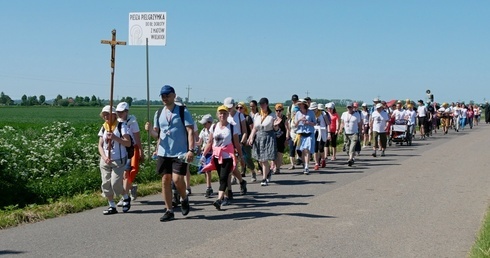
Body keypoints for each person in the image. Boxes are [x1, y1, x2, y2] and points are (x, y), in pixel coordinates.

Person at [150, 85, 195, 222]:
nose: (165, 98)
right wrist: (149, 131)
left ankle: (184, 198)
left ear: (174, 95)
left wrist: (191, 150)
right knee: (165, 180)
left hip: (180, 152)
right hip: (164, 152)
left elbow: (190, 131)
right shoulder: (158, 113)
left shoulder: (182, 111)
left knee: (177, 180)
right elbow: (157, 135)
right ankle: (169, 210)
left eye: (167, 95)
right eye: (163, 96)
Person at [201, 105, 243, 209]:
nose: (222, 115)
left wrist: (241, 155)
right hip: (216, 156)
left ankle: (219, 200)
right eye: (220, 113)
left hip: (228, 156)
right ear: (217, 115)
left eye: (224, 113)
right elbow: (210, 142)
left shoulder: (232, 127)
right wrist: (204, 155)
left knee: (224, 177)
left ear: (227, 114)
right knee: (221, 178)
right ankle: (225, 197)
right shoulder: (214, 127)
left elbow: (237, 143)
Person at [97, 105, 132, 215]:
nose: (106, 116)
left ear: (114, 115)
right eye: (104, 114)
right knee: (106, 184)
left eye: (108, 114)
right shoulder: (104, 127)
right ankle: (111, 205)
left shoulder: (122, 126)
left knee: (115, 183)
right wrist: (104, 157)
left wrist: (115, 138)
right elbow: (100, 145)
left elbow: (128, 142)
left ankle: (126, 197)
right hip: (106, 160)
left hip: (118, 160)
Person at [114, 102, 143, 208]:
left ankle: (124, 197)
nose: (119, 114)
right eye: (118, 112)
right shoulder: (115, 123)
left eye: (122, 112)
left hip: (131, 150)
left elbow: (137, 138)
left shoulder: (132, 122)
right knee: (121, 174)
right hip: (120, 149)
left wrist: (140, 150)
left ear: (126, 111)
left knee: (127, 173)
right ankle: (131, 188)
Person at [247, 97, 280, 185]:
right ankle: (268, 172)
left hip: (268, 137)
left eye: (263, 104)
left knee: (264, 159)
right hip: (258, 138)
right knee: (260, 160)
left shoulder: (272, 115)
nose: (262, 106)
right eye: (260, 104)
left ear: (267, 104)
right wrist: (251, 137)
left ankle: (264, 178)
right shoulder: (257, 115)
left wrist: (276, 125)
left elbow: (276, 129)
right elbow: (254, 128)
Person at [223, 97, 248, 197]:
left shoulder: (239, 115)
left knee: (232, 167)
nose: (229, 109)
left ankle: (240, 182)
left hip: (237, 141)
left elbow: (245, 131)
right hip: (227, 142)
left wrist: (242, 142)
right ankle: (229, 190)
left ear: (234, 106)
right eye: (227, 107)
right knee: (229, 167)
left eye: (230, 107)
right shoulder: (224, 116)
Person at [293, 99, 316, 174]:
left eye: (300, 104)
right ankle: (304, 163)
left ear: (304, 105)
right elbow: (295, 125)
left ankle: (306, 166)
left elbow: (314, 123)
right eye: (298, 104)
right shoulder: (297, 113)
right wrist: (299, 120)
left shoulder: (311, 113)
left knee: (307, 150)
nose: (299, 105)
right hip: (301, 134)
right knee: (302, 151)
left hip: (309, 133)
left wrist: (308, 122)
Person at [196, 114, 214, 198]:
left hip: (212, 153)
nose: (203, 125)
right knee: (205, 170)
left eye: (205, 123)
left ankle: (209, 188)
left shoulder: (214, 131)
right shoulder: (203, 131)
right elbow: (199, 142)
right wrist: (192, 143)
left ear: (210, 123)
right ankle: (208, 186)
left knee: (208, 170)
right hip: (205, 153)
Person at [339, 102, 361, 166]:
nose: (349, 109)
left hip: (354, 133)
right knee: (347, 147)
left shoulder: (357, 114)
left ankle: (350, 159)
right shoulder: (344, 114)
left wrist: (361, 132)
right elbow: (342, 123)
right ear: (346, 108)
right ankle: (351, 157)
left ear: (353, 107)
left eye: (350, 107)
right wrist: (340, 129)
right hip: (346, 133)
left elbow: (359, 124)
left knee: (352, 147)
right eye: (348, 107)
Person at [310, 102, 329, 170]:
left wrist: (328, 133)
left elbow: (328, 124)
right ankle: (316, 163)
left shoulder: (323, 114)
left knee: (320, 147)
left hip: (322, 131)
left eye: (314, 109)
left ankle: (323, 159)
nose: (313, 111)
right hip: (314, 132)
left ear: (317, 108)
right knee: (315, 148)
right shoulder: (311, 115)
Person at [272, 103, 288, 174]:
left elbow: (288, 129)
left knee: (280, 154)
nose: (278, 112)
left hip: (282, 139)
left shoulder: (284, 118)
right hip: (273, 138)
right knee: (273, 154)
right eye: (277, 110)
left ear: (282, 110)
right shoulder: (273, 118)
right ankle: (274, 165)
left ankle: (278, 168)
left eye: (280, 110)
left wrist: (287, 139)